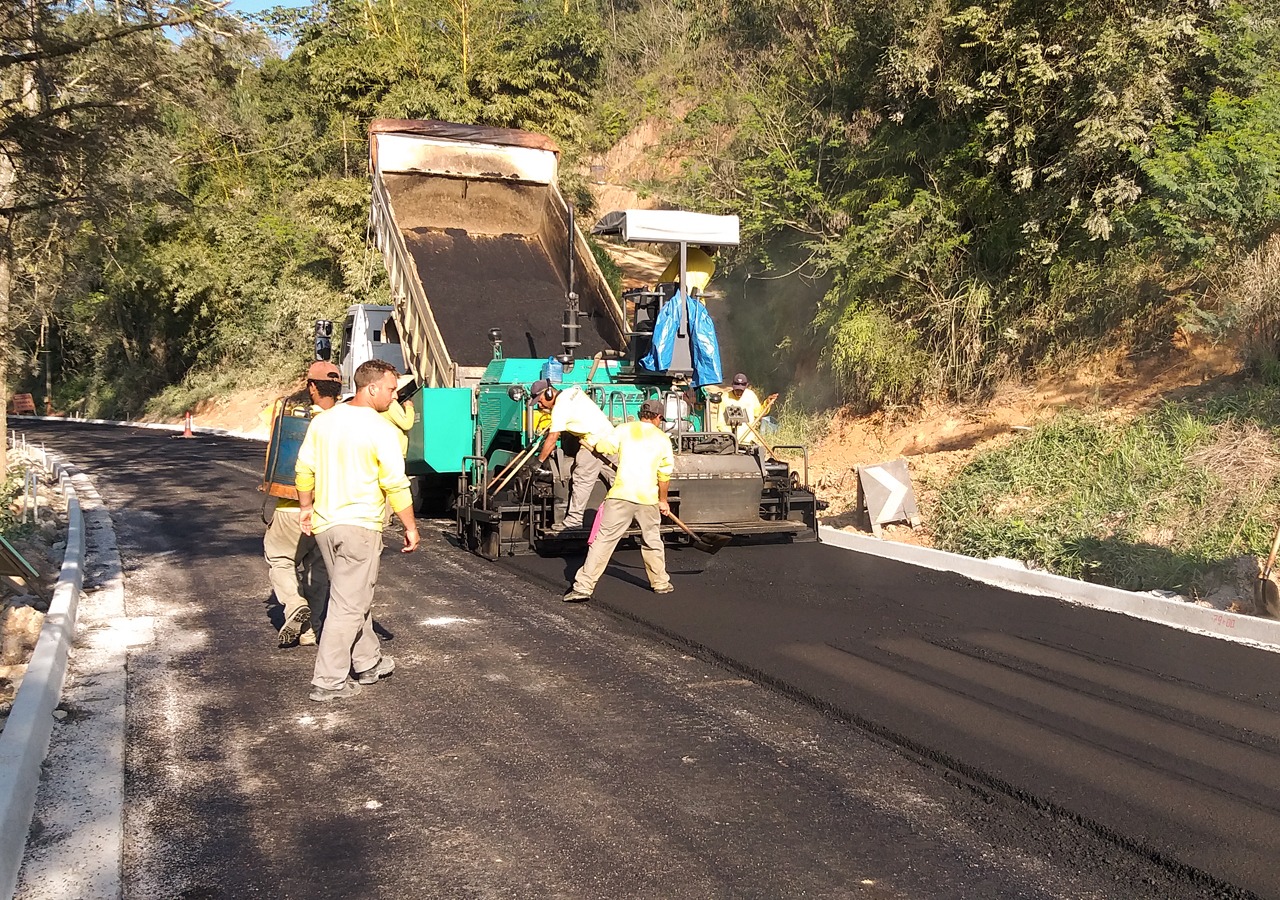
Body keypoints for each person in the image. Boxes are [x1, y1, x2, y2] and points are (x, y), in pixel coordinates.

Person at [296, 359, 420, 703]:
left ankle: (368, 662)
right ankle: (329, 681)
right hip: (360, 526)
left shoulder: (324, 421)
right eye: (392, 390)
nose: (394, 397)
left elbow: (304, 469)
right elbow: (395, 484)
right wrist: (410, 527)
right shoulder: (380, 429)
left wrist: (306, 508)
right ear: (371, 388)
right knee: (348, 604)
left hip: (325, 525)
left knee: (352, 596)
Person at [263, 361, 342, 648]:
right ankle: (311, 631)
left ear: (311, 386)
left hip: (291, 506)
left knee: (281, 560)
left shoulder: (295, 416)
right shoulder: (345, 420)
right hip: (329, 510)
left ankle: (294, 603)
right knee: (317, 569)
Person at [563, 399, 674, 602]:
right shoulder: (663, 440)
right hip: (647, 499)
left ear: (641, 413)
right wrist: (663, 500)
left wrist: (596, 445)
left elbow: (605, 446)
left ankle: (583, 588)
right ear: (658, 417)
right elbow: (664, 475)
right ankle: (660, 583)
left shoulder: (624, 429)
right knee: (652, 540)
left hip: (621, 495)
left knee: (603, 541)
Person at [532, 379, 616, 532]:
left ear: (549, 393)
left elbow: (552, 438)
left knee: (581, 479)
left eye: (540, 400)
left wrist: (538, 461)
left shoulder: (560, 408)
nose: (539, 404)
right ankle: (632, 517)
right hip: (610, 437)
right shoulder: (572, 391)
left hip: (593, 442)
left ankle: (574, 521)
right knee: (618, 479)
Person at [719, 372, 764, 446]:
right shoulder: (725, 398)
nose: (739, 393)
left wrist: (767, 403)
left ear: (746, 386)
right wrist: (729, 437)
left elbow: (759, 413)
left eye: (741, 391)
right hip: (731, 441)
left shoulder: (751, 395)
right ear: (732, 386)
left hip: (748, 440)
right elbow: (720, 423)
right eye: (737, 390)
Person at [382, 373, 416, 457]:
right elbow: (406, 424)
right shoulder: (391, 403)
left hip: (389, 448)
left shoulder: (384, 402)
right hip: (395, 450)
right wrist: (409, 408)